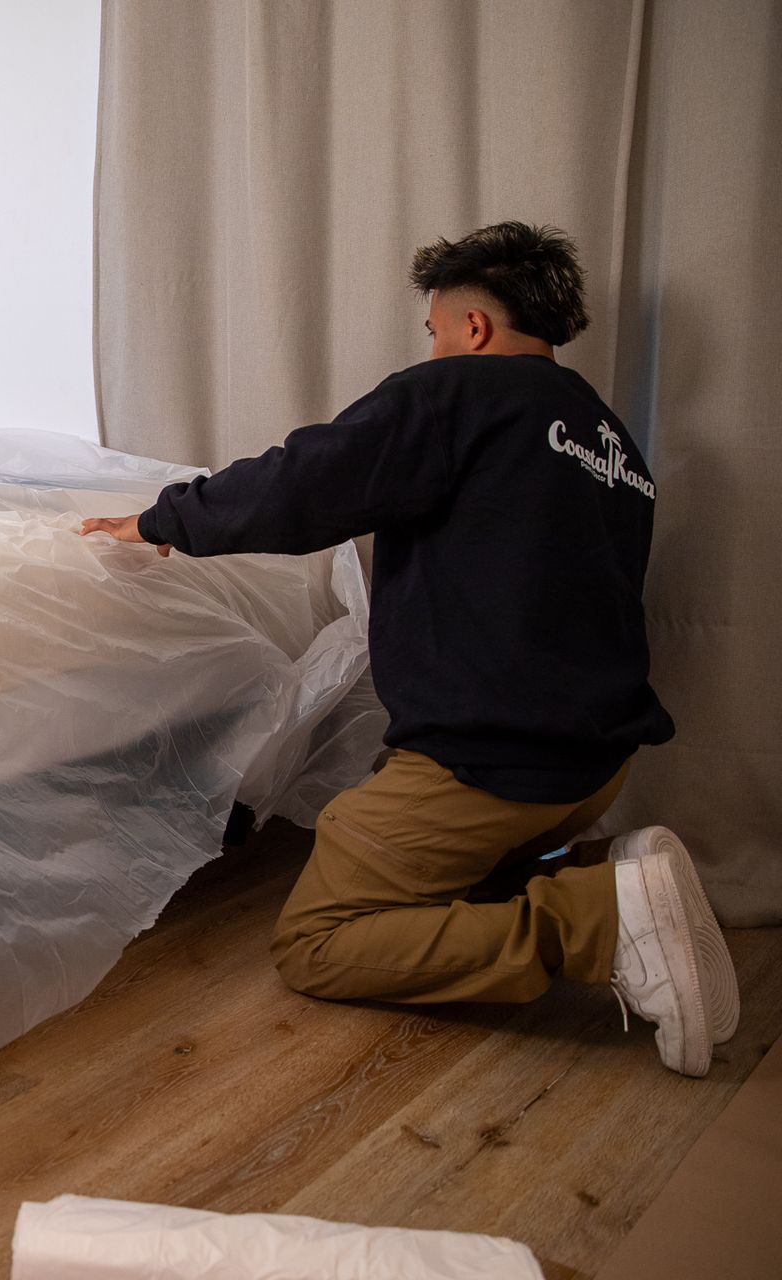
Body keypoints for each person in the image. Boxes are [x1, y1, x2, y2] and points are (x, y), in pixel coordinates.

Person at [78, 222, 738, 1077]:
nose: (431, 349)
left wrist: (164, 519)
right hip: (594, 767)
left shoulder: (459, 393)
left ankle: (600, 919)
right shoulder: (611, 442)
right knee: (431, 878)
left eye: (433, 331)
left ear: (470, 329)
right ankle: (602, 870)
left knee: (320, 940)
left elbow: (305, 479)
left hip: (490, 770)